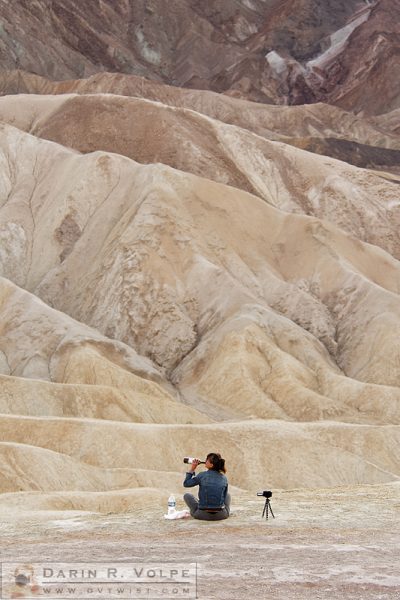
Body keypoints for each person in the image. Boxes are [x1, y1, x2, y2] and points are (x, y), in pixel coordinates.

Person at [183, 452, 230, 521]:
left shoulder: (202, 475)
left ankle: (197, 510)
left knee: (187, 495)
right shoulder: (224, 478)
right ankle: (225, 511)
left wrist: (192, 469)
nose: (205, 461)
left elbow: (186, 484)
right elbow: (224, 496)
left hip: (201, 515)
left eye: (207, 460)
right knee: (228, 495)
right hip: (221, 515)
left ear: (211, 465)